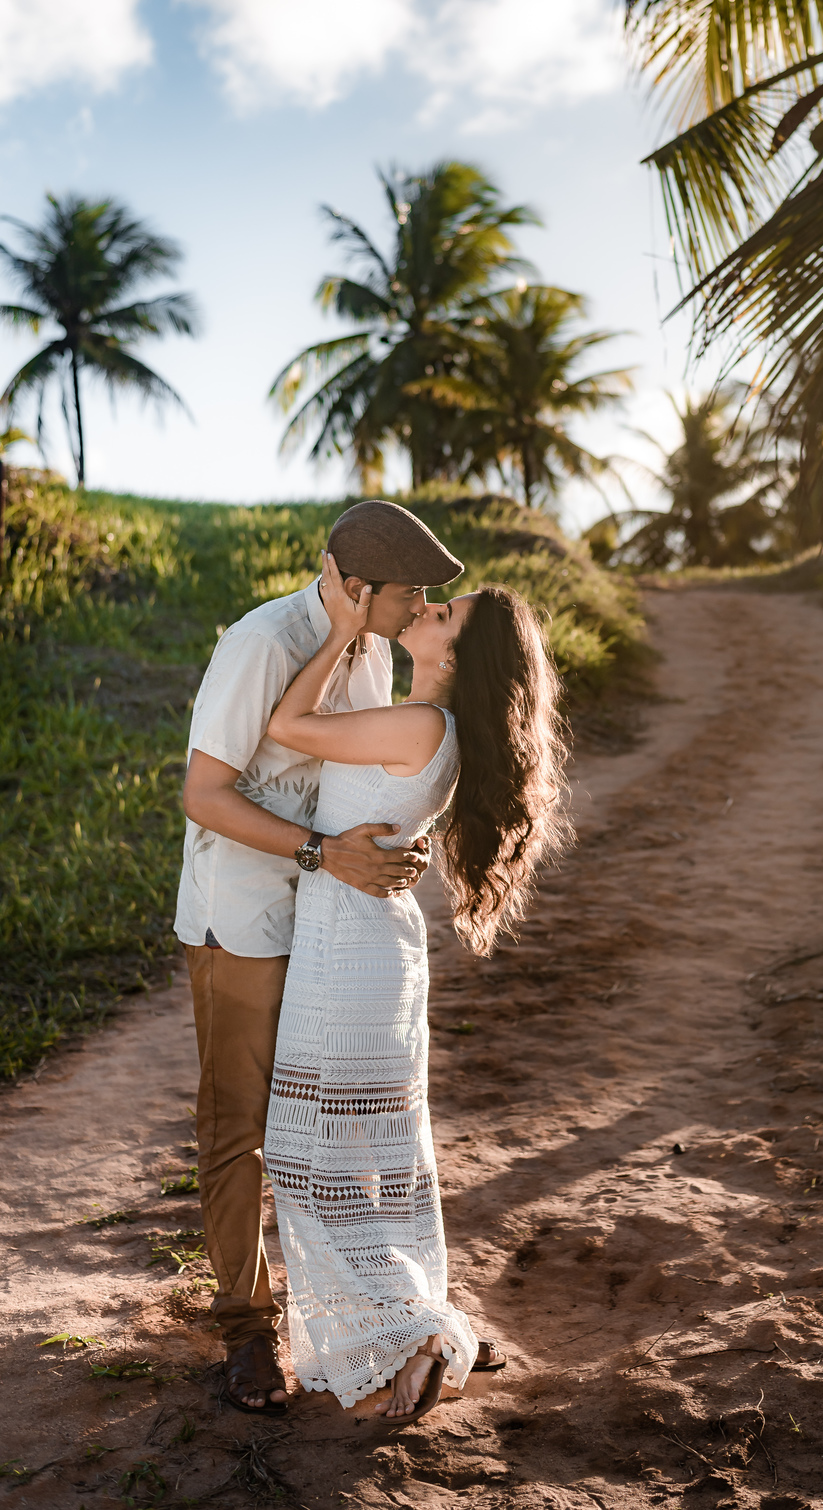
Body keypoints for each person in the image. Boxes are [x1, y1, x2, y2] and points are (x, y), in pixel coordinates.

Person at [261, 553, 569, 1427]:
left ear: (456, 657)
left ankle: (415, 1330)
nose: (426, 608)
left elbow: (289, 724)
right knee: (358, 1164)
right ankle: (408, 1332)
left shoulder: (419, 727)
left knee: (308, 1157)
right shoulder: (429, 728)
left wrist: (346, 628)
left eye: (445, 614)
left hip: (349, 955)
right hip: (368, 948)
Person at [176, 500, 463, 1415]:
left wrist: (393, 846)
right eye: (409, 589)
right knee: (240, 1126)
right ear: (354, 586)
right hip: (247, 915)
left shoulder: (376, 651)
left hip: (331, 923)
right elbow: (203, 794)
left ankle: (355, 1311)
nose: (419, 603)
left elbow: (364, 774)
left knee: (323, 1127)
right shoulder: (260, 644)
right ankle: (245, 1330)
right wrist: (319, 851)